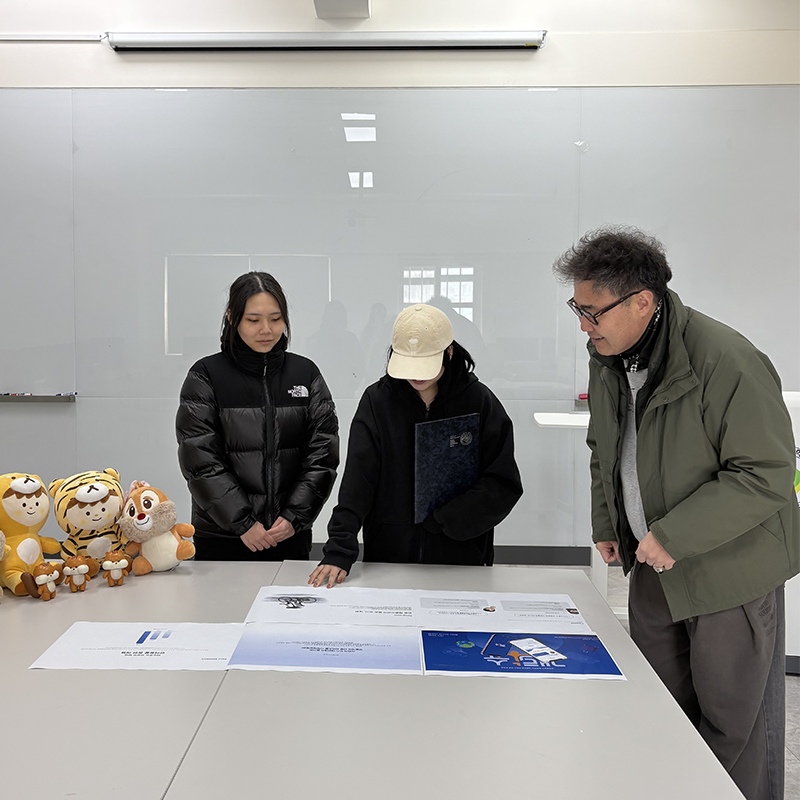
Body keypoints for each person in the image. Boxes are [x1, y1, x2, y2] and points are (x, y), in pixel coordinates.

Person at [553, 226, 800, 800]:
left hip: (728, 576)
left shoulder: (728, 361)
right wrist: (609, 522)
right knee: (659, 715)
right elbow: (603, 447)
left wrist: (674, 535)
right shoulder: (608, 358)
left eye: (592, 312)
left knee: (732, 731)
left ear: (643, 302)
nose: (583, 325)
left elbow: (766, 474)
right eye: (577, 309)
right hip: (653, 568)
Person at [308, 303, 523, 588]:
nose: (417, 375)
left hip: (462, 556)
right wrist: (339, 549)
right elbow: (359, 480)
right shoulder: (378, 402)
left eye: (426, 364)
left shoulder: (479, 401)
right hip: (388, 556)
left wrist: (447, 520)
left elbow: (502, 482)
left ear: (448, 351)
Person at [176, 272, 339, 561]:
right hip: (223, 536)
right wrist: (243, 523)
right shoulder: (206, 375)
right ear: (231, 317)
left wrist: (294, 517)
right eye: (253, 320)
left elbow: (322, 455)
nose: (266, 329)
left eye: (275, 319)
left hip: (287, 535)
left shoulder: (305, 373)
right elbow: (200, 460)